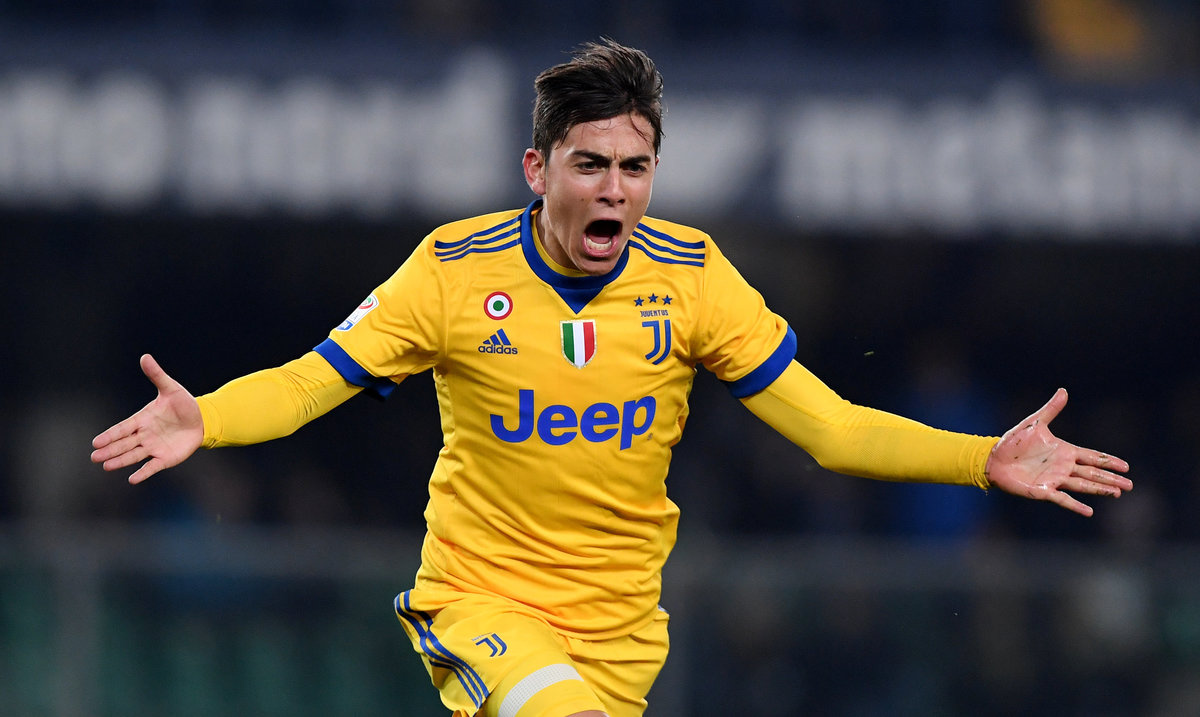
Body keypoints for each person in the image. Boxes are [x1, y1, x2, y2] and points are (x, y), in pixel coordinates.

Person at [91, 39, 1131, 717]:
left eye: (634, 169)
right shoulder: (452, 273)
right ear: (537, 169)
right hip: (482, 603)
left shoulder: (694, 279)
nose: (614, 191)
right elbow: (308, 383)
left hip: (624, 635)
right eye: (589, 165)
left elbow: (832, 428)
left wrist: (982, 458)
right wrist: (206, 419)